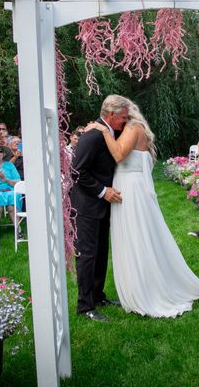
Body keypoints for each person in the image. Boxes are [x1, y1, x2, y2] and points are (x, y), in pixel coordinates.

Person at [88, 99, 199, 318]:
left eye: (124, 116)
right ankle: (140, 283)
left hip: (129, 190)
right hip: (128, 187)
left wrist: (102, 131)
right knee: (134, 237)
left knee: (136, 237)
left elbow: (117, 155)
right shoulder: (132, 129)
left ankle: (144, 287)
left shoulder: (133, 128)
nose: (122, 121)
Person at [70, 95, 127, 322]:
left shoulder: (110, 131)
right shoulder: (92, 136)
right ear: (111, 115)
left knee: (101, 252)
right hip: (86, 204)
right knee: (87, 255)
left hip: (102, 205)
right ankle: (85, 306)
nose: (125, 122)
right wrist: (103, 191)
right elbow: (77, 172)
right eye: (122, 118)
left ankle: (97, 294)